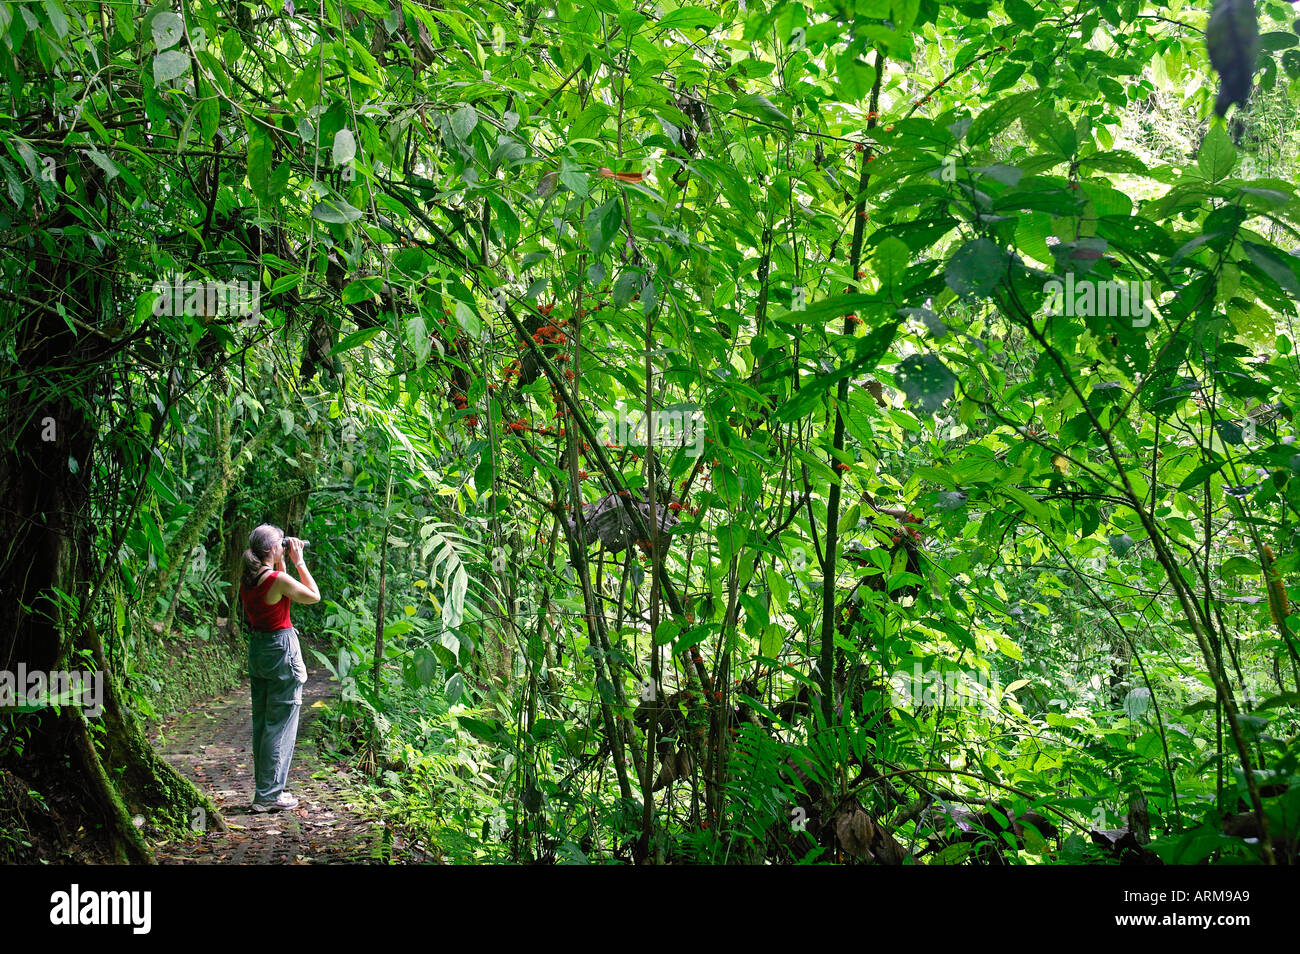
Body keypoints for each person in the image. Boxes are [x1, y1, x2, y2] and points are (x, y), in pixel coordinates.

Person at [239, 524, 321, 812]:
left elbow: (278, 583)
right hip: (281, 650)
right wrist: (299, 561)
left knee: (263, 723)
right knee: (281, 724)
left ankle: (266, 790)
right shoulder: (276, 579)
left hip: (259, 649)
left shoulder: (250, 578)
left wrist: (283, 561)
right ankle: (270, 795)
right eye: (281, 545)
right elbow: (313, 596)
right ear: (272, 549)